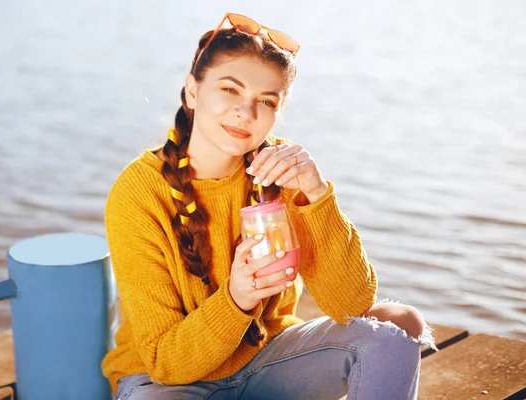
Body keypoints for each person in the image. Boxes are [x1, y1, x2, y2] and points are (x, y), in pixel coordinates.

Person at [101, 13, 436, 400]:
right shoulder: (139, 192)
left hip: (267, 363)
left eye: (266, 100)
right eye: (229, 90)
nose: (247, 112)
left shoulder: (282, 168)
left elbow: (352, 303)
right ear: (193, 91)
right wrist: (237, 298)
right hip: (167, 384)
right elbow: (167, 364)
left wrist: (315, 193)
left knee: (397, 327)